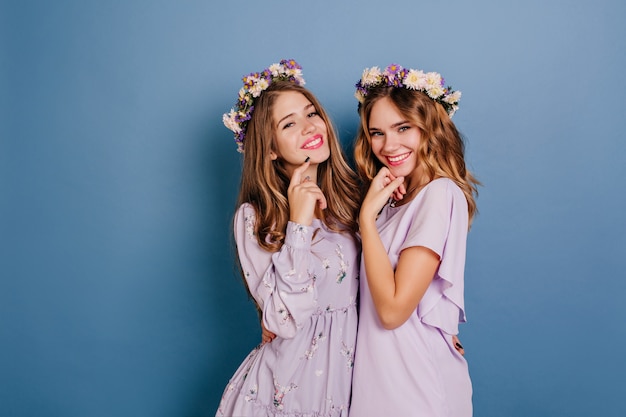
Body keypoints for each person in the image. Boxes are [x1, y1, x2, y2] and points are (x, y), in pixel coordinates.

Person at [216, 59, 361, 417]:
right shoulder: (255, 218)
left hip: (350, 382)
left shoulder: (353, 198)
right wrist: (298, 222)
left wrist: (434, 330)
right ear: (270, 149)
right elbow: (281, 320)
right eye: (289, 123)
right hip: (287, 390)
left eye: (311, 114)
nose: (310, 127)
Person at [349, 64, 479, 417]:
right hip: (380, 382)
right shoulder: (390, 200)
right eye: (377, 133)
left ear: (430, 127)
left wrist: (365, 220)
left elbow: (391, 311)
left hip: (414, 387)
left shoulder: (439, 194)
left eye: (403, 127)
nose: (389, 145)